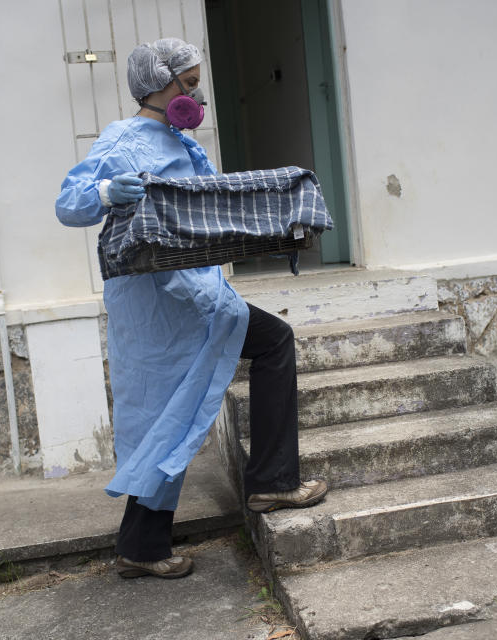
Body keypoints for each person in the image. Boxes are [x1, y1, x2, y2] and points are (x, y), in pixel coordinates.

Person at [55, 38, 327, 580]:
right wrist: (107, 191)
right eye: (189, 82)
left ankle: (143, 545)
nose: (196, 93)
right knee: (268, 346)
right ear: (159, 84)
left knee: (172, 409)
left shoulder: (176, 139)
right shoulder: (126, 139)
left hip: (191, 295)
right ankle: (271, 484)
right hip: (165, 301)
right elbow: (69, 205)